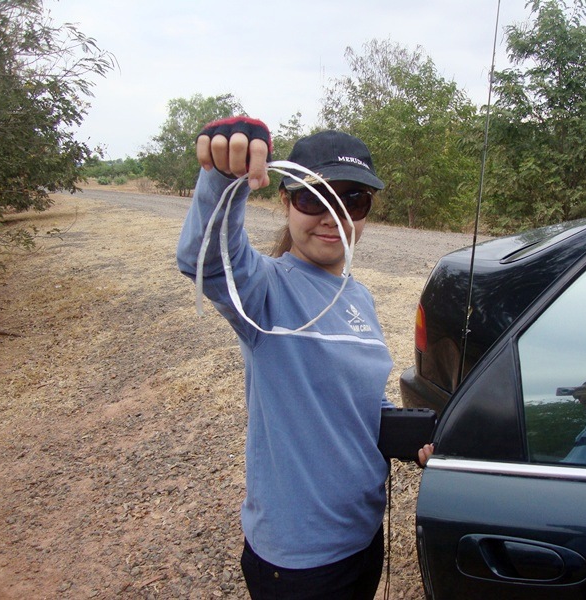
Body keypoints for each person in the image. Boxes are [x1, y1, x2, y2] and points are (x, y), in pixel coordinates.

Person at [176, 116, 434, 600]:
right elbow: (205, 261)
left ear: (366, 211)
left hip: (362, 534)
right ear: (285, 201)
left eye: (352, 200)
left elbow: (361, 401)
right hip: (300, 559)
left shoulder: (358, 297)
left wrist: (411, 436)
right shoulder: (264, 290)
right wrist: (222, 176)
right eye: (313, 197)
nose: (332, 216)